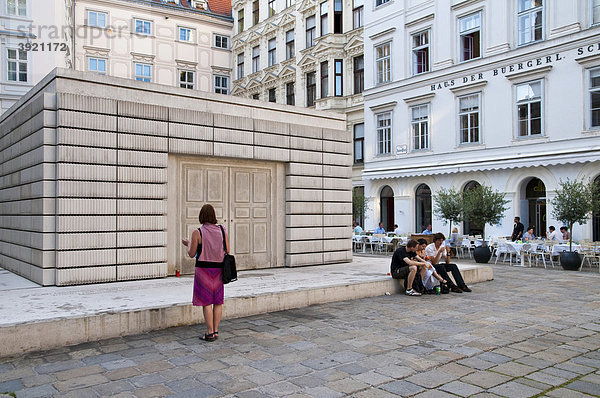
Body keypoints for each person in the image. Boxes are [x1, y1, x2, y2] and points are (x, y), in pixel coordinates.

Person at [182, 204, 229, 342]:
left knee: (206, 302)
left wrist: (188, 244)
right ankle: (215, 330)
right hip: (219, 269)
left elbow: (191, 254)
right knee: (218, 302)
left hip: (203, 270)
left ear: (202, 216)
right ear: (213, 215)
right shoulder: (222, 230)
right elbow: (228, 251)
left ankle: (209, 332)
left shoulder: (198, 232)